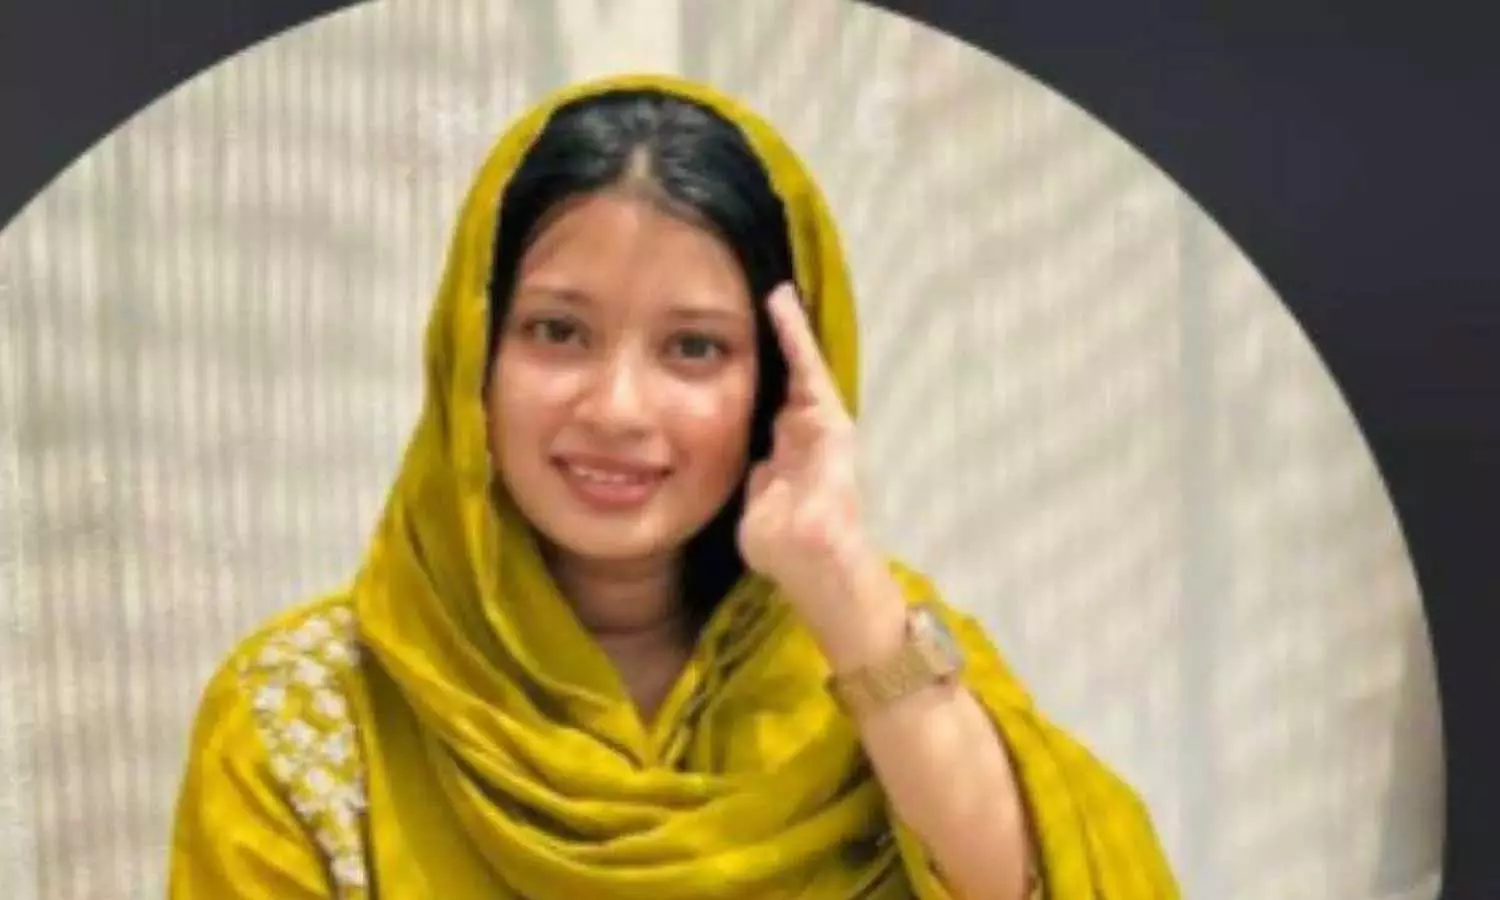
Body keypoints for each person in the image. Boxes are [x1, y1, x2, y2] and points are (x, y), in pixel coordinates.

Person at [168, 73, 1178, 900]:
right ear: (471, 356)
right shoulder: (309, 719)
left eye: (693, 347)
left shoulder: (874, 644)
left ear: (776, 384)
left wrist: (840, 582)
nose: (617, 407)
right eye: (558, 331)